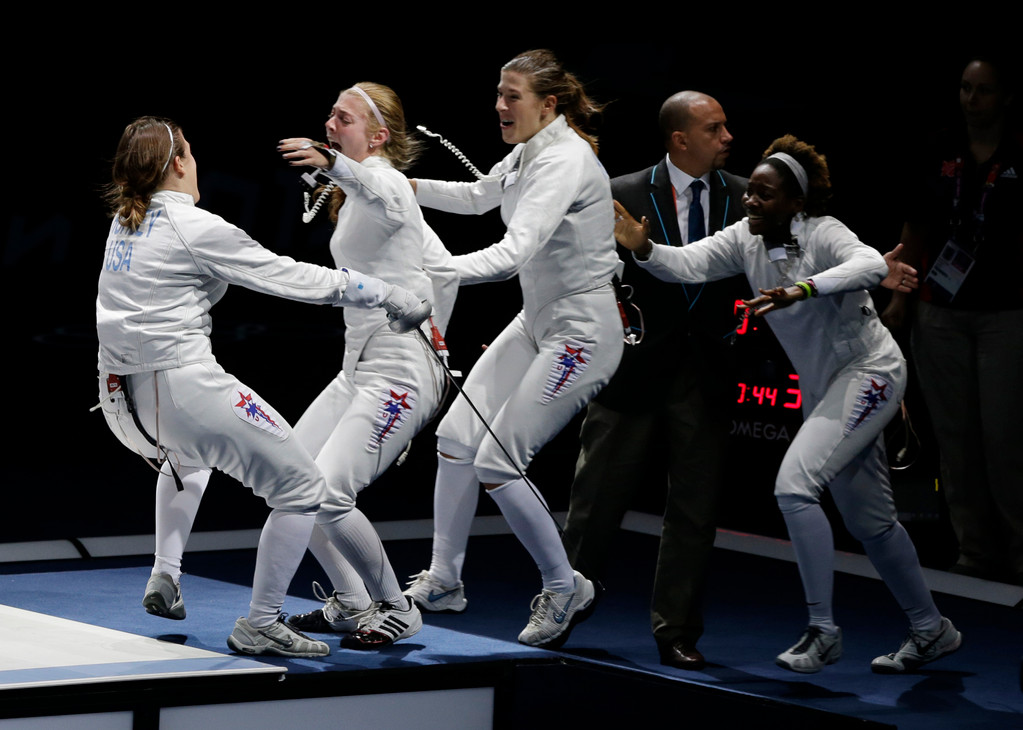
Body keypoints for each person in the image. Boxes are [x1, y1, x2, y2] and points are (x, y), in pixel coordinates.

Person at [614, 134, 960, 674]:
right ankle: (931, 629)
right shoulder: (744, 240)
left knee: (794, 487)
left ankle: (822, 630)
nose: (751, 201)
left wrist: (801, 290)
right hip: (827, 388)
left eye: (765, 195)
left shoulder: (824, 233)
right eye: (750, 192)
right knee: (871, 522)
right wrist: (644, 249)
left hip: (869, 373)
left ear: (796, 203)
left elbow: (870, 267)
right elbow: (684, 264)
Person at [97, 116, 430, 658]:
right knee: (302, 487)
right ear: (180, 162)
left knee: (187, 457)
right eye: (192, 152)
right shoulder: (194, 225)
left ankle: (165, 572)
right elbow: (292, 278)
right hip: (182, 388)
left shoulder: (125, 222)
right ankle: (262, 622)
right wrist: (386, 293)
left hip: (121, 403)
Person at [403, 49, 624, 648]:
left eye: (513, 96)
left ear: (548, 104)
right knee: (455, 439)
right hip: (538, 320)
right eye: (499, 93)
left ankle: (564, 586)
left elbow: (511, 254)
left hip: (583, 331)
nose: (501, 105)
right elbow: (479, 196)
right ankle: (445, 578)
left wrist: (436, 270)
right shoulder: (531, 151)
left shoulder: (565, 162)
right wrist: (400, 186)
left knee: (498, 461)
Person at [562, 91, 747, 671]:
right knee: (595, 501)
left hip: (708, 370)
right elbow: (578, 274)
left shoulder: (745, 198)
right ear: (679, 140)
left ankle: (677, 630)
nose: (727, 138)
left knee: (694, 508)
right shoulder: (619, 194)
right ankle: (564, 602)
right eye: (715, 129)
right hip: (630, 369)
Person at [273, 82, 458, 648]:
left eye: (343, 119)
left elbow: (393, 192)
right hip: (357, 368)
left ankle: (398, 609)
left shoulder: (383, 182)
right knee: (290, 485)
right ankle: (353, 604)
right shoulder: (355, 195)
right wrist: (440, 329)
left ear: (378, 136)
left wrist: (431, 348)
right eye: (329, 115)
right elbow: (444, 269)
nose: (330, 124)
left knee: (329, 493)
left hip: (399, 370)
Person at [882, 56, 1023, 584]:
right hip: (940, 312)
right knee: (956, 438)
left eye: (984, 90)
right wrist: (902, 295)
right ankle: (975, 553)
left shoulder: (1019, 150)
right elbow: (916, 224)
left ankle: (1019, 552)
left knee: (1006, 439)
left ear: (1005, 97)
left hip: (1008, 314)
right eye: (965, 88)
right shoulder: (940, 147)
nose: (972, 100)